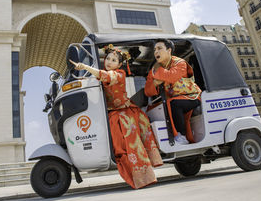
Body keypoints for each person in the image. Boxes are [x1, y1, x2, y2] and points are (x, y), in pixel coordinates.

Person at [70, 44, 163, 189]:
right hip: (113, 115)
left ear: (120, 64)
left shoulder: (119, 74)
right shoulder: (103, 74)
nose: (109, 62)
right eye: (108, 58)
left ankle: (144, 177)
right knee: (120, 148)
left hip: (125, 115)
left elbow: (104, 75)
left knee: (131, 148)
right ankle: (136, 177)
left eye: (114, 60)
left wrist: (85, 67)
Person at [145, 39, 201, 145]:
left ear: (169, 50)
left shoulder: (180, 63)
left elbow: (171, 76)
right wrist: (155, 83)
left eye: (159, 48)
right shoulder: (155, 69)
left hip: (191, 97)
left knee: (173, 103)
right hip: (175, 99)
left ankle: (181, 136)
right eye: (155, 49)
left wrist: (158, 74)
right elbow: (148, 91)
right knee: (155, 108)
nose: (156, 52)